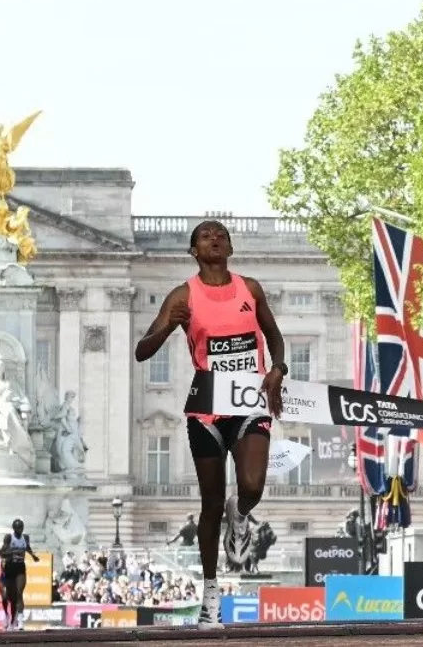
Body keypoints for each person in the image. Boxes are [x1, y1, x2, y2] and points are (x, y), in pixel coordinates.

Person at [134, 219, 286, 629]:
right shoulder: (183, 295)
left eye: (221, 234)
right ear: (194, 251)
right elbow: (141, 352)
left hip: (250, 402)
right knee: (210, 504)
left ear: (231, 247)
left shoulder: (249, 289)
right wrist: (169, 324)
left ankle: (242, 514)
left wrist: (278, 367)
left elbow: (274, 336)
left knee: (251, 486)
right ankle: (210, 593)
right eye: (205, 235)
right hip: (206, 408)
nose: (214, 238)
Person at [0, 519, 39, 631]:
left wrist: (33, 556)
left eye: (21, 528)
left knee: (19, 592)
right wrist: (12, 552)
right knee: (7, 596)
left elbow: (27, 547)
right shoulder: (9, 538)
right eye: (18, 528)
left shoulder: (26, 537)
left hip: (20, 567)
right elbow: (2, 552)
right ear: (14, 529)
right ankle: (7, 614)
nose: (20, 530)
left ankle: (20, 620)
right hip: (9, 567)